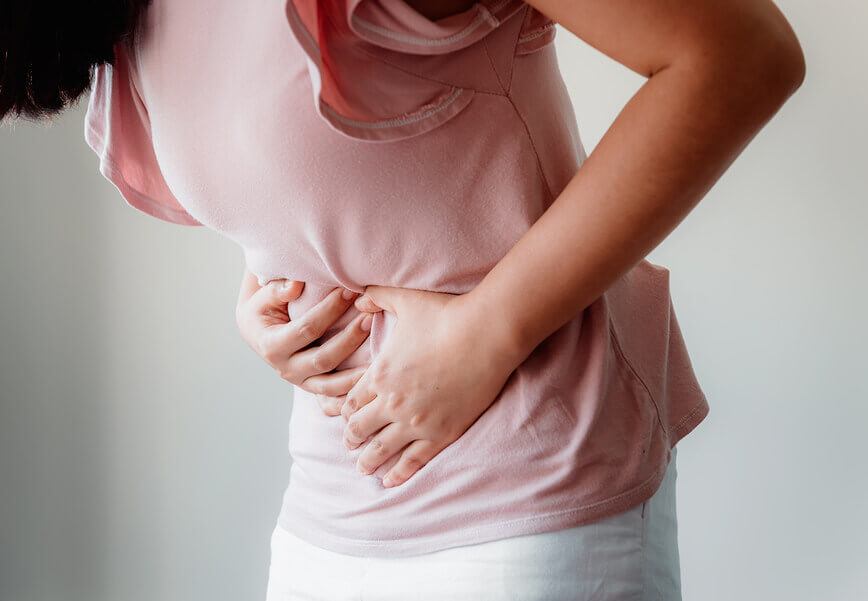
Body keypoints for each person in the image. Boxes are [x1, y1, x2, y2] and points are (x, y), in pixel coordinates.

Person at [0, 0, 805, 598]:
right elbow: (318, 168)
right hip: (330, 509)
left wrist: (488, 332)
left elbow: (736, 57)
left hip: (531, 506)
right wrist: (265, 296)